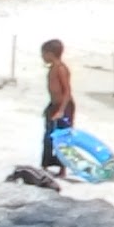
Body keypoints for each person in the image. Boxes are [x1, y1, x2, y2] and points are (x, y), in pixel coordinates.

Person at [40, 40, 73, 177]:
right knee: (48, 136)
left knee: (62, 137)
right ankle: (45, 165)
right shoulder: (52, 68)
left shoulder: (61, 69)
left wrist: (61, 110)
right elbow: (54, 92)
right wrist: (50, 107)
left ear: (50, 54)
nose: (42, 57)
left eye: (43, 54)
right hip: (53, 105)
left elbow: (67, 92)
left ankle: (62, 169)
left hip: (65, 106)